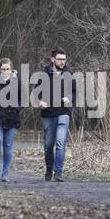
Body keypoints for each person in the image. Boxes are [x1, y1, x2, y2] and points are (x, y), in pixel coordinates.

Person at [38, 48, 76, 182]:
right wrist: (40, 102)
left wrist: (69, 98)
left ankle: (58, 172)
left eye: (64, 59)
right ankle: (49, 168)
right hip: (48, 113)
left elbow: (75, 92)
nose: (62, 62)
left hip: (63, 113)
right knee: (48, 145)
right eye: (59, 59)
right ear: (53, 59)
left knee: (60, 143)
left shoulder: (69, 74)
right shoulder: (44, 74)